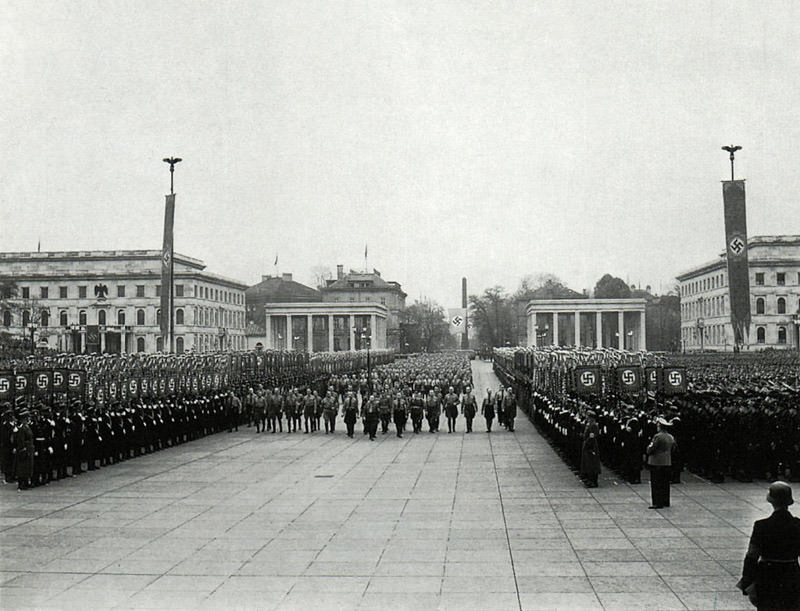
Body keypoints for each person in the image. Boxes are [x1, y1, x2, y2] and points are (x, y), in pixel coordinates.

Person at [737, 481, 800, 610]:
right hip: (791, 574)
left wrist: (747, 580)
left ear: (771, 500)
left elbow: (752, 556)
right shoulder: (797, 525)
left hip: (768, 575)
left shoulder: (762, 526)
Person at [646, 417, 676, 509]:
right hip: (667, 462)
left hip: (656, 462)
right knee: (665, 483)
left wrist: (648, 450)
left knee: (656, 483)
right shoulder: (671, 437)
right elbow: (674, 448)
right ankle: (665, 501)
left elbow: (651, 448)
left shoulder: (657, 436)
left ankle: (657, 502)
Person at [580, 411, 601, 488]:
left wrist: (587, 444)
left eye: (588, 417)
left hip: (591, 447)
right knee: (588, 464)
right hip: (587, 446)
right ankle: (590, 480)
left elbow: (592, 437)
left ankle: (593, 481)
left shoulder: (594, 425)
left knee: (592, 464)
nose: (587, 418)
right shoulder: (589, 425)